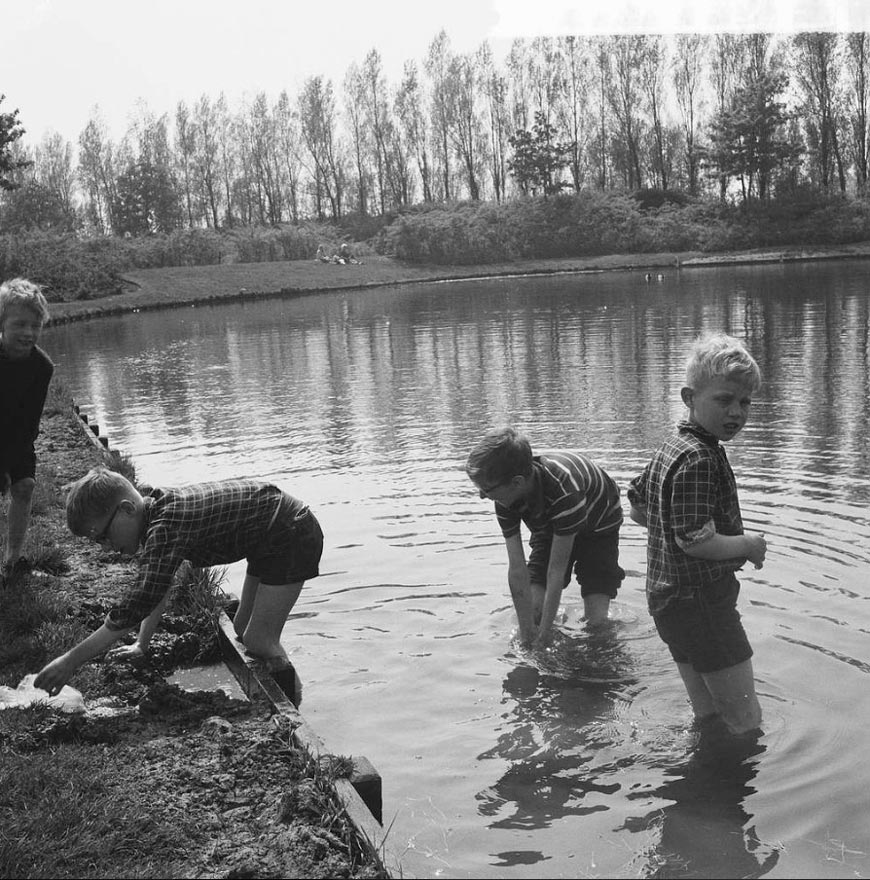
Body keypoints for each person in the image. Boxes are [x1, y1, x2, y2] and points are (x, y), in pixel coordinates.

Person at [34, 467, 324, 697]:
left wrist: (70, 661)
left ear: (126, 510)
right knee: (240, 630)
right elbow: (156, 587)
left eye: (102, 536)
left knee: (260, 641)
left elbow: (138, 603)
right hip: (270, 535)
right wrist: (141, 644)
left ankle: (295, 708)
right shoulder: (152, 512)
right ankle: (289, 693)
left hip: (290, 533)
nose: (105, 547)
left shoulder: (165, 526)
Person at [627, 332, 767, 736]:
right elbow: (697, 541)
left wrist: (672, 529)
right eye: (724, 400)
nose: (736, 412)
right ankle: (733, 792)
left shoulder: (671, 446)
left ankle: (699, 787)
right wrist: (748, 545)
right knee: (746, 720)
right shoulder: (700, 458)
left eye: (744, 402)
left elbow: (638, 508)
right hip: (702, 604)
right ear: (690, 397)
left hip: (668, 602)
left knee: (708, 715)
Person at [465, 427, 624, 648]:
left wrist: (545, 636)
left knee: (596, 625)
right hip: (549, 527)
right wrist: (527, 632)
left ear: (517, 483)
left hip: (598, 525)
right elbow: (517, 569)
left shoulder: (564, 491)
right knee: (533, 613)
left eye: (486, 490)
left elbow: (555, 572)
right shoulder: (503, 498)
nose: (482, 496)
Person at [0, 277, 53, 587]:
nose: (28, 333)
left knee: (25, 486)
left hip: (17, 436)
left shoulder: (41, 367)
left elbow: (28, 425)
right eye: (19, 324)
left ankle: (13, 559)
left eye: (36, 326)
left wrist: (8, 467)